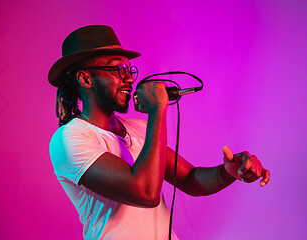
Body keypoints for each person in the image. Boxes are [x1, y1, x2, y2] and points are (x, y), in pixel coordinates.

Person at [48, 25, 270, 240]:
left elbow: (191, 179)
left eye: (129, 69)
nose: (130, 78)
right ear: (85, 79)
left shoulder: (139, 128)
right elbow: (145, 191)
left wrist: (227, 172)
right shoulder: (70, 139)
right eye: (118, 69)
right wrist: (157, 109)